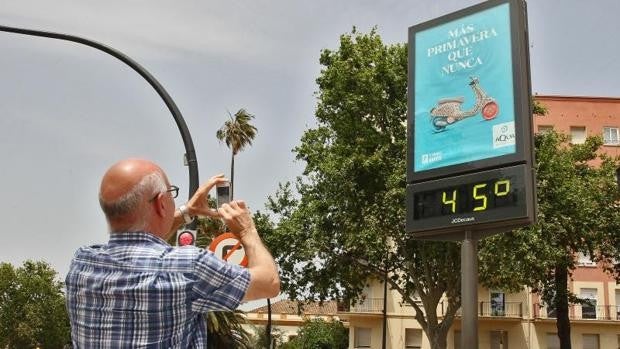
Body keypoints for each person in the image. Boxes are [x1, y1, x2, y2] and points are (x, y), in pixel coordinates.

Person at [65, 158, 279, 348]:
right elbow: (268, 283)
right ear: (160, 203)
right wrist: (246, 230)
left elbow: (139, 242)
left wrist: (187, 212)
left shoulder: (81, 264)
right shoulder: (189, 267)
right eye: (171, 193)